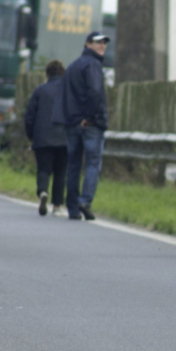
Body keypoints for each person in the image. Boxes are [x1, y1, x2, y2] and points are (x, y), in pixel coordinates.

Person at [55, 31, 110, 221]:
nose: (102, 46)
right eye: (98, 42)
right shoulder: (93, 65)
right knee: (93, 163)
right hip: (90, 124)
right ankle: (85, 200)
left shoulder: (72, 66)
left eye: (104, 43)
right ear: (87, 44)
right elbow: (95, 93)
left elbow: (65, 97)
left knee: (74, 165)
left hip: (73, 124)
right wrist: (89, 117)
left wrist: (71, 119)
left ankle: (72, 208)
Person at [25, 60, 69, 217]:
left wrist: (32, 135)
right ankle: (57, 206)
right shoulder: (68, 92)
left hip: (42, 138)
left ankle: (43, 192)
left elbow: (30, 116)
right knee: (60, 172)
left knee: (43, 169)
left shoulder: (39, 91)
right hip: (64, 138)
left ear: (47, 74)